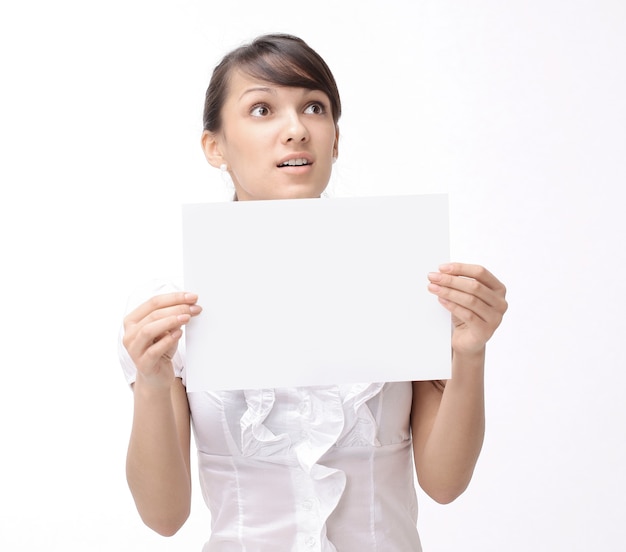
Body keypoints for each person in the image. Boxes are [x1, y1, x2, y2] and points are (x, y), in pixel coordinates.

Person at [119, 33, 508, 551]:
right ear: (215, 147)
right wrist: (150, 382)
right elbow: (163, 516)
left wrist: (470, 354)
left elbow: (444, 483)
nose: (296, 129)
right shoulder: (171, 311)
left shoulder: (407, 278)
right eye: (262, 109)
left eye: (314, 108)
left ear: (336, 140)